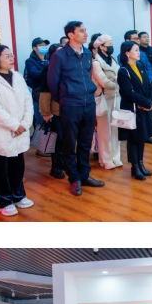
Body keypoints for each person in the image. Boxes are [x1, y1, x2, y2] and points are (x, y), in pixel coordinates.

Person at [48, 21, 103, 197]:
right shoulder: (60, 56)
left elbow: (88, 76)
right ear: (71, 35)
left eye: (86, 30)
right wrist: (65, 98)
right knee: (70, 143)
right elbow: (52, 82)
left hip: (89, 103)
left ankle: (84, 175)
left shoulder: (87, 53)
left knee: (86, 142)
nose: (86, 34)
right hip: (70, 105)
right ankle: (74, 178)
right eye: (81, 31)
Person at [0, 45, 34, 216]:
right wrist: (15, 125)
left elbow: (28, 101)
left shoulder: (18, 76)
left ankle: (18, 195)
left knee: (17, 165)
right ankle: (3, 201)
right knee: (0, 168)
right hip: (0, 131)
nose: (11, 58)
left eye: (11, 55)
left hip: (20, 130)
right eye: (7, 56)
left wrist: (24, 124)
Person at [116, 41, 152, 181]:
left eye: (139, 50)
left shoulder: (140, 66)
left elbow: (149, 86)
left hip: (144, 108)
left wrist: (150, 101)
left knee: (142, 137)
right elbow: (128, 93)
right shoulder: (123, 70)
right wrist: (146, 102)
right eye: (136, 50)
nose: (139, 53)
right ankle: (135, 167)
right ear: (127, 53)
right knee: (134, 139)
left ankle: (141, 164)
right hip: (132, 109)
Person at [92, 34, 122, 169]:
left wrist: (116, 83)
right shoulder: (96, 63)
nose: (111, 47)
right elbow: (103, 81)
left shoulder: (113, 60)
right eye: (109, 44)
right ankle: (105, 159)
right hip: (103, 99)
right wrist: (117, 84)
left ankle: (116, 157)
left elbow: (119, 76)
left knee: (115, 129)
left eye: (111, 44)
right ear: (101, 47)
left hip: (116, 97)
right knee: (104, 131)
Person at [38, 44, 65, 178]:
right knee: (57, 139)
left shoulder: (66, 68)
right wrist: (45, 113)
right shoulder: (48, 70)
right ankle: (55, 167)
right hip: (55, 112)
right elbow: (44, 93)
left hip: (68, 110)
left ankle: (62, 162)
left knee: (66, 138)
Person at [25, 37, 49, 125]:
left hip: (52, 93)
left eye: (45, 45)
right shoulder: (30, 61)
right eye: (41, 45)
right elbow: (34, 73)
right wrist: (50, 74)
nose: (44, 47)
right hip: (39, 93)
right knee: (41, 121)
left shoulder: (50, 58)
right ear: (35, 48)